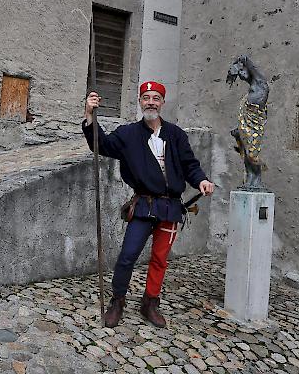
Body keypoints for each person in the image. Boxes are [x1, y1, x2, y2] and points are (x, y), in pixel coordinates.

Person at [82, 81, 214, 328]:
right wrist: (90, 115)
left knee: (160, 259)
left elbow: (189, 164)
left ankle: (150, 303)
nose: (150, 102)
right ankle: (117, 301)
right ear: (140, 102)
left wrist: (202, 181)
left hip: (171, 208)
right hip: (143, 206)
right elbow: (102, 144)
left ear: (162, 103)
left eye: (155, 98)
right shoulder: (128, 134)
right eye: (146, 97)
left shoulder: (175, 134)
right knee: (127, 256)